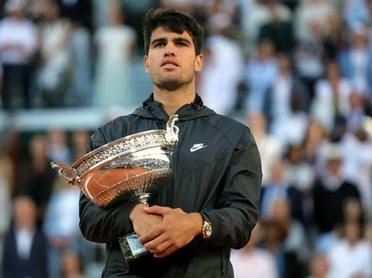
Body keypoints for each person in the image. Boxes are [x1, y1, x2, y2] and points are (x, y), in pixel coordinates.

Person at [78, 8, 262, 278]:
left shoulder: (234, 136)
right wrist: (131, 215)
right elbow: (89, 220)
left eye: (181, 43)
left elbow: (243, 220)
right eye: (159, 43)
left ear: (199, 61)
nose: (169, 50)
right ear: (146, 62)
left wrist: (197, 224)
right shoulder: (112, 134)